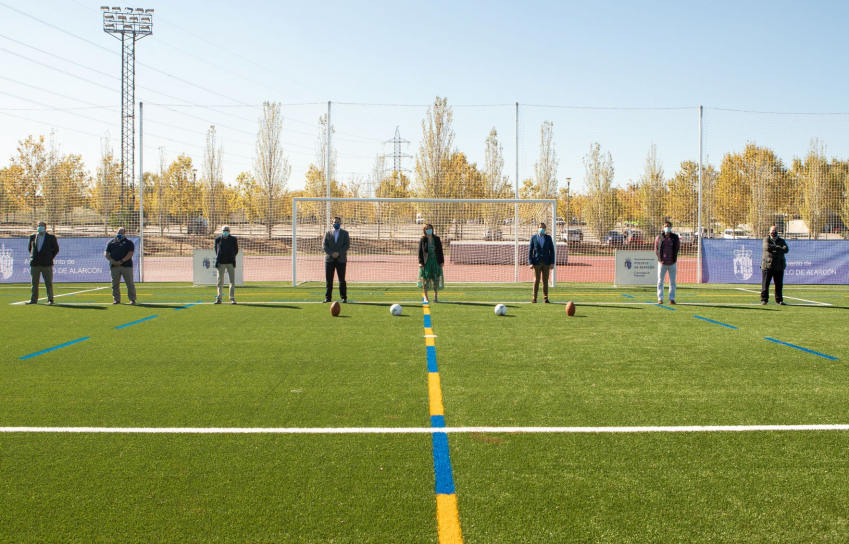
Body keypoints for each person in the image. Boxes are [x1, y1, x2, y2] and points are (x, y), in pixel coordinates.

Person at [27, 221, 59, 305]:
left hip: (46, 264)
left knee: (48, 282)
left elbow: (56, 249)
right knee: (34, 283)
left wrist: (49, 257)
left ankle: (50, 299)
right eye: (39, 225)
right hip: (35, 263)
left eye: (42, 225)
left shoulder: (51, 237)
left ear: (45, 227)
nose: (40, 227)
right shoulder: (32, 237)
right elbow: (30, 249)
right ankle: (34, 299)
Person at [104, 227, 137, 305]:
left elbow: (130, 254)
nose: (120, 234)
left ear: (124, 234)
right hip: (114, 266)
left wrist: (121, 261)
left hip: (126, 266)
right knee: (114, 284)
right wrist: (112, 261)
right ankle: (116, 299)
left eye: (122, 233)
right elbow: (106, 253)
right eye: (119, 233)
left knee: (130, 283)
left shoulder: (129, 243)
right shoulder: (111, 242)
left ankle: (132, 299)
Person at [323, 216, 350, 303]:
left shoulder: (345, 233)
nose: (336, 224)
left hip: (341, 259)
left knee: (341, 279)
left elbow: (347, 245)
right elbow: (324, 245)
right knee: (329, 279)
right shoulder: (328, 233)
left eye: (337, 222)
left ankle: (344, 297)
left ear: (340, 223)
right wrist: (331, 253)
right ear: (332, 223)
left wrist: (338, 253)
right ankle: (328, 297)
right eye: (334, 222)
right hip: (329, 259)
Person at [761, 225, 789, 305]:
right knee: (765, 284)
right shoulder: (766, 239)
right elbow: (767, 247)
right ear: (769, 231)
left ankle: (779, 300)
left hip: (779, 266)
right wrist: (779, 248)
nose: (774, 232)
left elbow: (786, 249)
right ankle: (764, 299)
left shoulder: (781, 240)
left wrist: (774, 249)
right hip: (767, 265)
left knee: (779, 284)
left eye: (775, 230)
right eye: (772, 230)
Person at [528, 222, 555, 303]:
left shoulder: (548, 238)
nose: (541, 229)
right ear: (537, 228)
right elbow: (530, 251)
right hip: (537, 262)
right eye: (540, 227)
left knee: (545, 281)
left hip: (546, 262)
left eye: (543, 228)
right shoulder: (533, 238)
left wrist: (552, 262)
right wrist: (530, 262)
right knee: (536, 280)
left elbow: (552, 251)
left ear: (545, 229)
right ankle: (534, 297)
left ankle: (545, 297)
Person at [654, 220, 680, 305]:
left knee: (672, 282)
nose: (667, 228)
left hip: (672, 263)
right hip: (662, 263)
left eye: (668, 226)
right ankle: (660, 299)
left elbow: (677, 248)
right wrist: (660, 259)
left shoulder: (675, 237)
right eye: (665, 226)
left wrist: (674, 258)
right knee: (660, 281)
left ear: (671, 227)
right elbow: (656, 249)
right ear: (663, 227)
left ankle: (671, 299)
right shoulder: (659, 237)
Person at [417, 223, 444, 303]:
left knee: (436, 278)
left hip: (435, 261)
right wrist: (420, 262)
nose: (429, 230)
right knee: (426, 279)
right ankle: (426, 296)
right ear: (424, 230)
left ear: (432, 229)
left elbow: (440, 251)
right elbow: (420, 251)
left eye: (430, 228)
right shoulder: (423, 239)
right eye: (427, 229)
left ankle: (435, 296)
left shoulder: (437, 239)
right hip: (426, 262)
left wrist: (442, 261)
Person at [214, 225, 239, 304]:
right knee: (220, 281)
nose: (225, 232)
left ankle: (232, 298)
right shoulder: (218, 239)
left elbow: (236, 250)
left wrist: (231, 256)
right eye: (224, 230)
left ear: (229, 231)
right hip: (221, 263)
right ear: (221, 231)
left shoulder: (233, 239)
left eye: (227, 230)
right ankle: (219, 298)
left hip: (230, 263)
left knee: (232, 281)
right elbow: (216, 250)